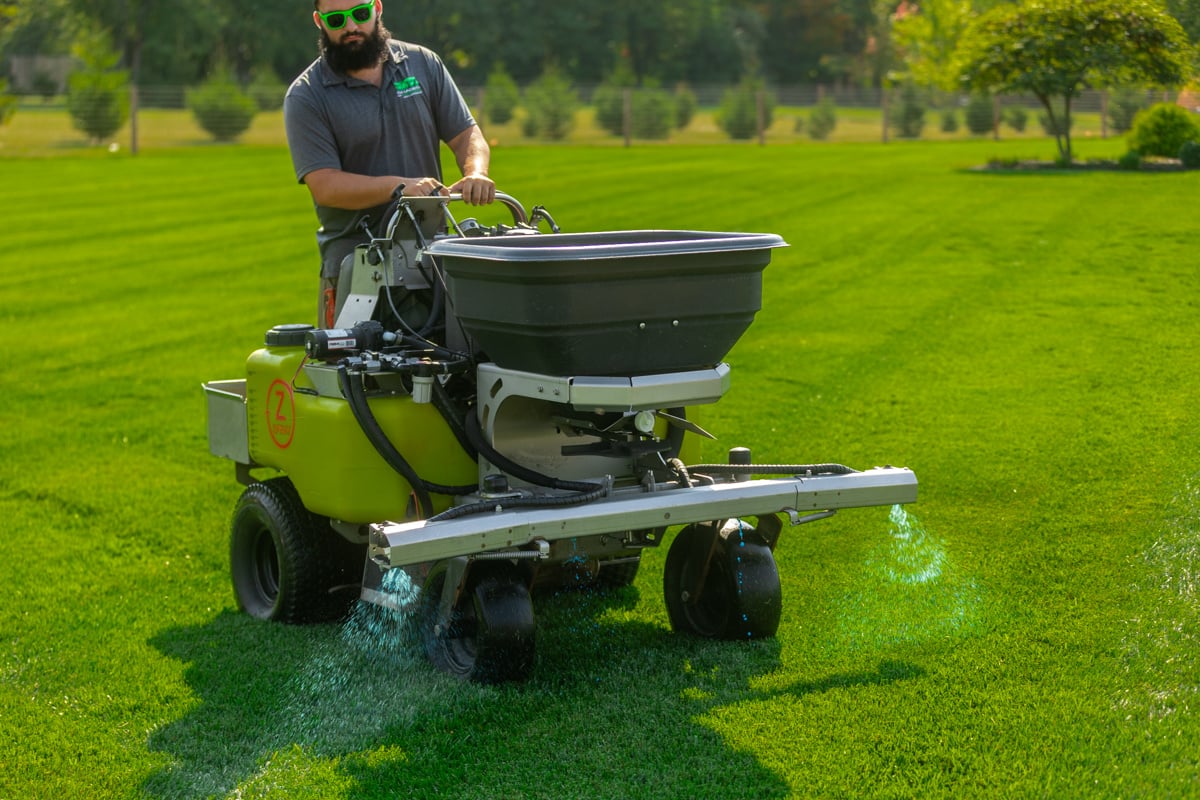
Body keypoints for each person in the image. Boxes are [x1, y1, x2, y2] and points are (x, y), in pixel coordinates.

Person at [284, 0, 496, 327]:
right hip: (357, 268)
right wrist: (401, 187)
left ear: (377, 8)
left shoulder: (423, 64)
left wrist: (476, 173)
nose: (351, 27)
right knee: (359, 371)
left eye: (359, 14)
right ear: (319, 21)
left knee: (455, 361)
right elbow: (325, 186)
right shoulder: (307, 95)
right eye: (337, 19)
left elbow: (467, 135)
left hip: (433, 255)